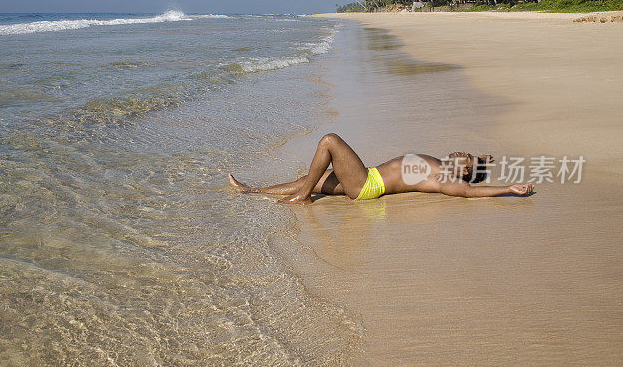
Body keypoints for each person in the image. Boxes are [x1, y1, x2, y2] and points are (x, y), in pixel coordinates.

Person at [228, 133, 534, 204]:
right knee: (311, 177)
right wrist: (482, 161)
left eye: (464, 157)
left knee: (329, 142)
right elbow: (474, 170)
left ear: (463, 172)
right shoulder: (444, 164)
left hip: (368, 186)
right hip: (369, 177)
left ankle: (303, 198)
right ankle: (251, 190)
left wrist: (508, 188)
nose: (459, 152)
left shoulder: (444, 177)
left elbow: (469, 193)